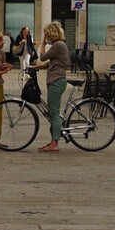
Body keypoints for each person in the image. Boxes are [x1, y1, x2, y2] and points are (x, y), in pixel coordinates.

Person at [32, 21, 71, 153]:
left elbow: (42, 57)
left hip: (56, 81)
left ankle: (54, 144)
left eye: (47, 34)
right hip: (56, 80)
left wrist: (42, 43)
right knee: (53, 112)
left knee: (53, 114)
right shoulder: (59, 45)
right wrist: (38, 67)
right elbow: (53, 63)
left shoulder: (58, 45)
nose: (46, 37)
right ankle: (54, 138)